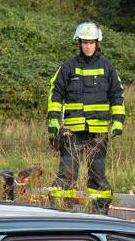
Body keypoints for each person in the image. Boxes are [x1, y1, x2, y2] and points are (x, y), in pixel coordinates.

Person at [46, 22, 125, 210]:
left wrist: (118, 122)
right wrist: (54, 120)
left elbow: (117, 96)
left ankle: (98, 214)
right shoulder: (68, 67)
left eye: (91, 42)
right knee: (67, 173)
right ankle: (60, 212)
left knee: (97, 175)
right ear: (79, 43)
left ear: (97, 43)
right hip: (72, 132)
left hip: (98, 132)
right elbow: (55, 94)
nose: (88, 46)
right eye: (84, 42)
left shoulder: (108, 68)